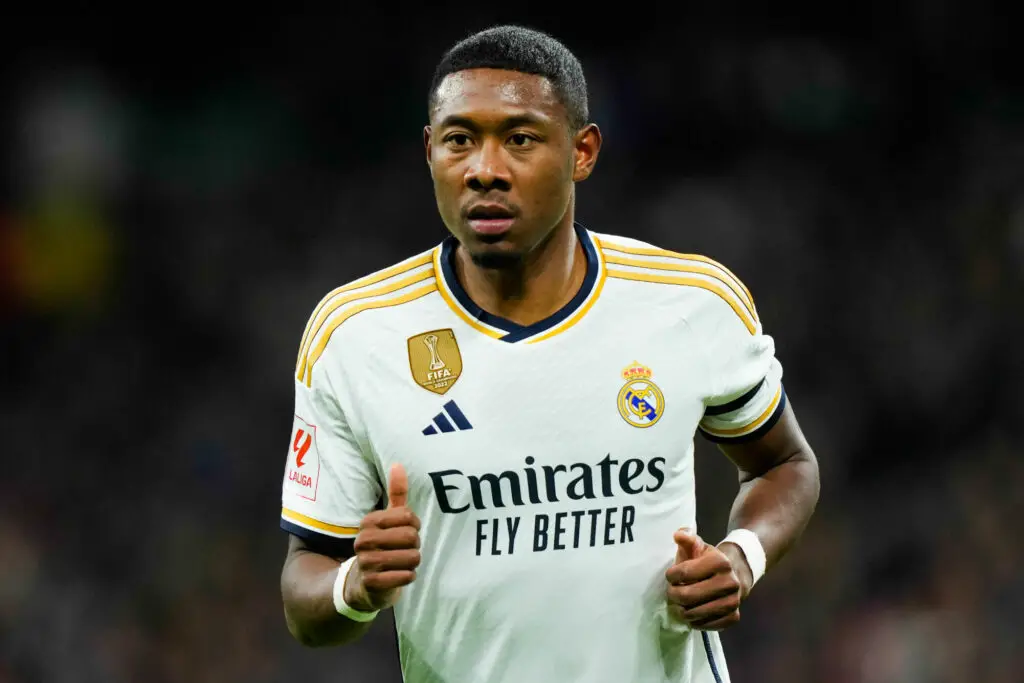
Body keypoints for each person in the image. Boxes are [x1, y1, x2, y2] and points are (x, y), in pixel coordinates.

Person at [279, 24, 820, 683]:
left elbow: (785, 464)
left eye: (520, 139)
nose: (484, 169)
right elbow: (304, 595)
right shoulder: (356, 334)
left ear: (581, 151)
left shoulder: (691, 303)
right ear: (430, 151)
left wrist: (741, 557)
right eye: (459, 139)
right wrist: (355, 585)